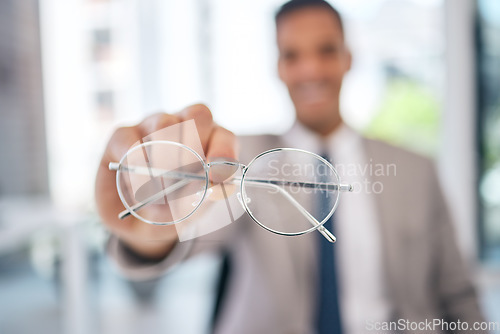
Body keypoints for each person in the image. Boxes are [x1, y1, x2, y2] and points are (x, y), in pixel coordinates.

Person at [95, 1, 485, 333]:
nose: (310, 70)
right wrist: (149, 229)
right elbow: (195, 233)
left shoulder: (415, 170)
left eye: (326, 50)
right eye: (292, 55)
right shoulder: (236, 162)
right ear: (278, 67)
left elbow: (457, 293)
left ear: (348, 59)